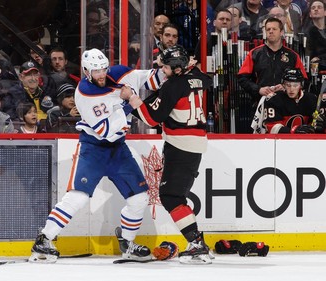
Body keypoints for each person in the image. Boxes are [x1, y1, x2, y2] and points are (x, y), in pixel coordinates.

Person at [29, 48, 165, 263]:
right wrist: (129, 103)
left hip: (119, 149)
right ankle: (44, 240)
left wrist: (166, 65)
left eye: (103, 69)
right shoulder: (84, 93)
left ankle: (127, 243)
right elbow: (105, 130)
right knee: (79, 196)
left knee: (140, 198)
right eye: (95, 71)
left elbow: (151, 79)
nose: (101, 74)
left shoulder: (119, 74)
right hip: (94, 149)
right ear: (86, 71)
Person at [132, 45, 214, 264]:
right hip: (194, 144)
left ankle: (196, 243)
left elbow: (151, 119)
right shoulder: (197, 78)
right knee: (175, 195)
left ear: (177, 68)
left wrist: (133, 100)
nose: (162, 70)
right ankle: (196, 241)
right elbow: (206, 79)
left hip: (181, 145)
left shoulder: (171, 86)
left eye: (166, 67)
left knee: (170, 196)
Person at [238, 17, 307, 132]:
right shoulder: (255, 53)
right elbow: (242, 78)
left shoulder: (292, 56)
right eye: (268, 29)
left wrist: (286, 87)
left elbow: (304, 80)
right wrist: (258, 89)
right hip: (260, 104)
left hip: (286, 108)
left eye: (274, 29)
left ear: (281, 32)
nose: (270, 31)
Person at [263, 68, 317, 134]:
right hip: (279, 141)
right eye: (288, 85)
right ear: (283, 85)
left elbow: (314, 123)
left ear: (301, 85)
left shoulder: (311, 99)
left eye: (295, 85)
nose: (291, 89)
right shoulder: (274, 99)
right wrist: (293, 130)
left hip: (304, 140)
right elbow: (271, 127)